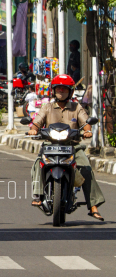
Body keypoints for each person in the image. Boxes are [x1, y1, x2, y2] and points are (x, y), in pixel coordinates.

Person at [27, 74, 104, 221]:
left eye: (64, 89)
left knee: (86, 168)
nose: (61, 91)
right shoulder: (47, 107)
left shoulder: (77, 107)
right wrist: (34, 129)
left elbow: (85, 122)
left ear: (70, 92)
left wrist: (87, 131)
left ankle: (93, 206)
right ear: (53, 91)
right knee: (38, 164)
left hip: (72, 146)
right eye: (58, 89)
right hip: (50, 145)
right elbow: (37, 122)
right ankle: (38, 195)